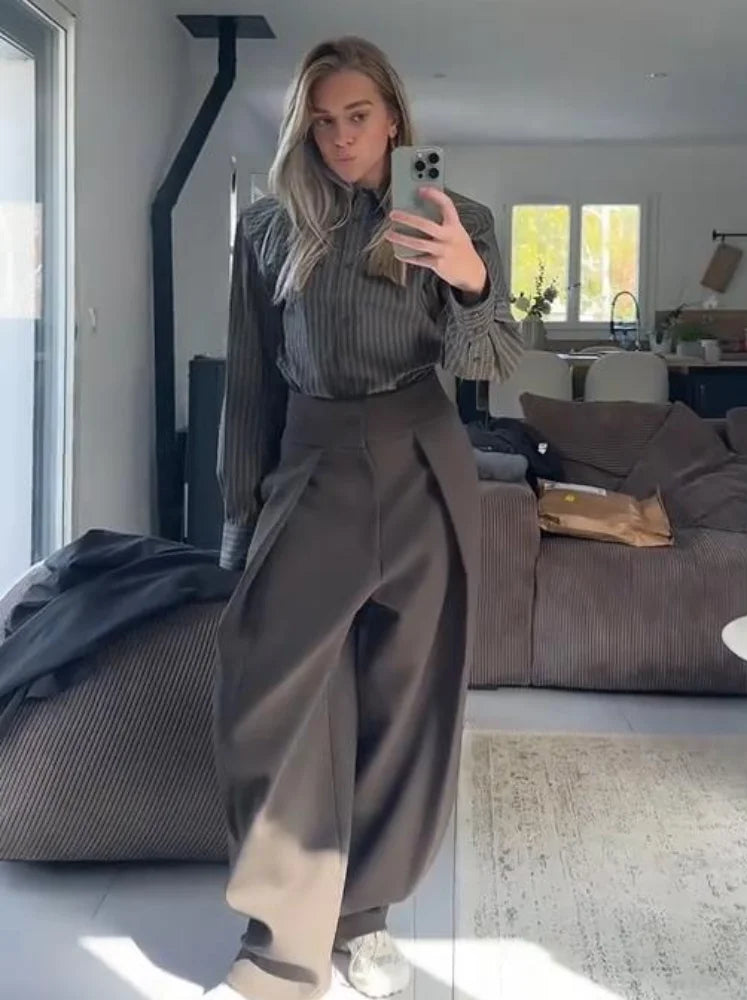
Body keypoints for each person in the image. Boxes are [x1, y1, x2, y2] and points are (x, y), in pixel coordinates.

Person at [206, 35, 522, 1000]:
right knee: (268, 690)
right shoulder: (270, 228)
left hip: (423, 454)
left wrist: (470, 280)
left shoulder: (455, 218)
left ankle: (362, 919)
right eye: (322, 122)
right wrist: (237, 517)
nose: (340, 139)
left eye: (357, 116)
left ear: (393, 118)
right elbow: (250, 385)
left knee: (406, 695)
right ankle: (282, 943)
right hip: (312, 458)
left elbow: (488, 363)